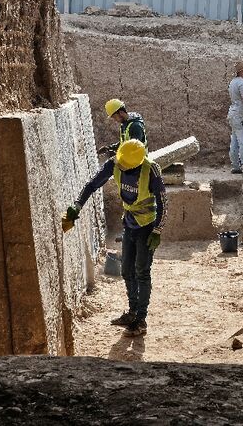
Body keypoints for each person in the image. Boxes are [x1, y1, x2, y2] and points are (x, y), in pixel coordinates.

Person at [63, 139, 166, 337]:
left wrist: (158, 230)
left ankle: (141, 320)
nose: (120, 166)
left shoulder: (151, 170)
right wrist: (77, 205)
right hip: (129, 223)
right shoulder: (116, 163)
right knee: (127, 270)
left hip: (147, 227)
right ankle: (132, 312)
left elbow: (163, 202)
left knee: (142, 272)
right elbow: (92, 184)